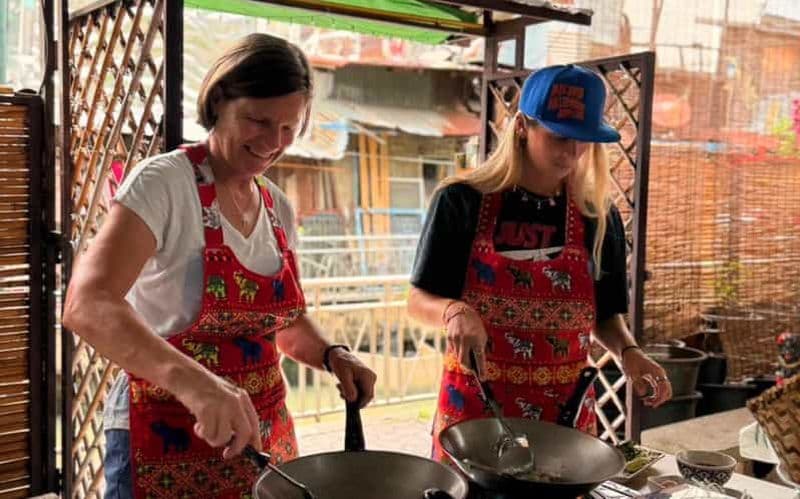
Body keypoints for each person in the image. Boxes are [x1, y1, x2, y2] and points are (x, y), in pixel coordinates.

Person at [62, 33, 377, 498]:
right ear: (219, 101)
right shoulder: (163, 183)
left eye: (290, 127)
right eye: (258, 120)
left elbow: (282, 324)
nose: (274, 142)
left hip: (263, 439)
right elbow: (86, 305)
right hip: (162, 433)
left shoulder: (277, 207)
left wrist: (331, 354)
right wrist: (196, 383)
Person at [406, 64, 672, 461]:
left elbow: (606, 317)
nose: (571, 153)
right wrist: (454, 311)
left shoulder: (598, 217)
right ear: (522, 126)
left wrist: (629, 352)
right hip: (477, 411)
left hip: (562, 417)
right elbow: (418, 299)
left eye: (583, 141)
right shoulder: (462, 200)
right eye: (559, 137)